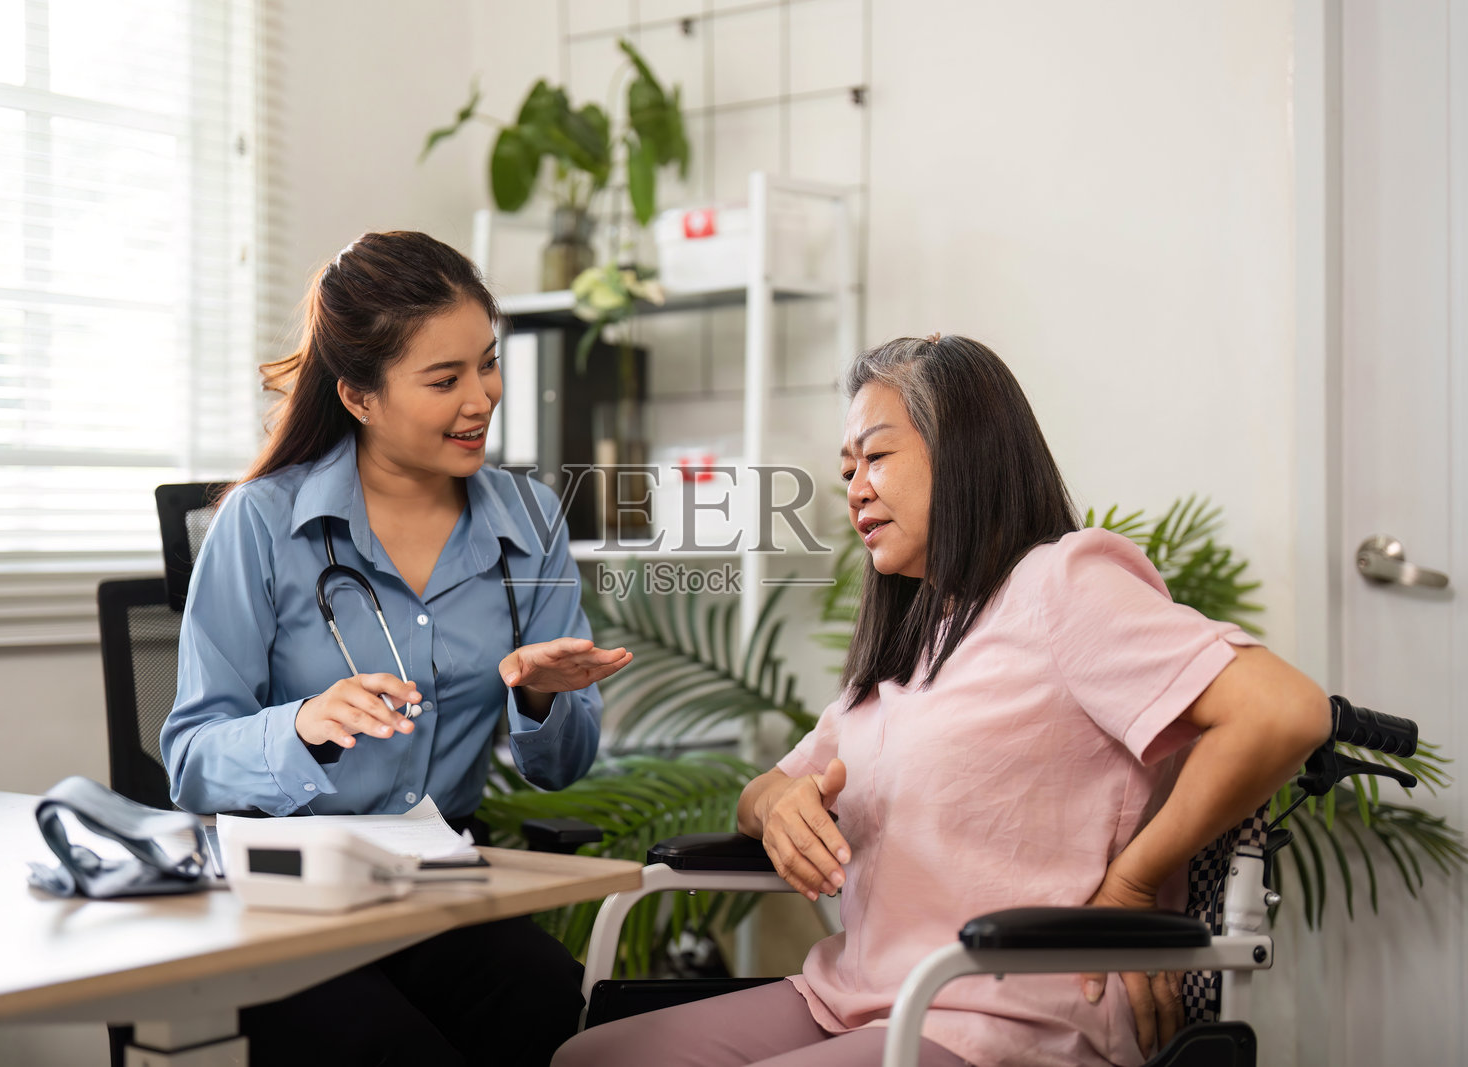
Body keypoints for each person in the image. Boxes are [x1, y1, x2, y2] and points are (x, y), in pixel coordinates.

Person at [553, 335, 1331, 1067]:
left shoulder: (1063, 585)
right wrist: (779, 803)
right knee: (587, 1056)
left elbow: (1283, 710)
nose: (855, 488)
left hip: (1001, 1016)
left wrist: (1130, 882)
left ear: (963, 454)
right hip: (851, 997)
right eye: (847, 467)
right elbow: (767, 787)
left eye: (877, 457)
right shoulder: (918, 634)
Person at [159, 230, 631, 1067]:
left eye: (487, 364)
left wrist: (541, 697)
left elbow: (561, 766)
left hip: (435, 889)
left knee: (544, 996)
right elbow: (191, 759)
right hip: (292, 901)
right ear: (360, 396)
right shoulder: (260, 525)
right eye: (443, 379)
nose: (480, 398)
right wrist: (301, 724)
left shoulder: (530, 522)